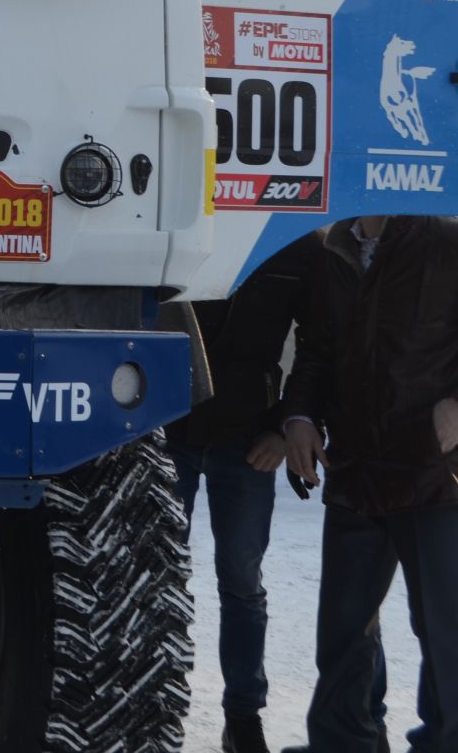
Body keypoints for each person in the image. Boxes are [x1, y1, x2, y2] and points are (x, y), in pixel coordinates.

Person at [281, 215, 458, 753]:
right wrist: (301, 418)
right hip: (355, 469)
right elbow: (315, 350)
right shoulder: (332, 250)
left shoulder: (446, 240)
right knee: (343, 627)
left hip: (435, 471)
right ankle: (342, 743)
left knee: (445, 630)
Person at [167, 230, 344, 753]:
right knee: (149, 577)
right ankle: (146, 703)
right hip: (162, 428)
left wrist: (285, 424)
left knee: (242, 582)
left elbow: (320, 348)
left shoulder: (300, 243)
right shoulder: (181, 221)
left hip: (248, 439)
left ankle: (243, 716)